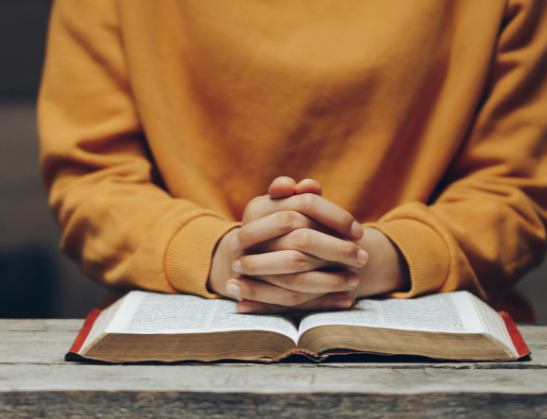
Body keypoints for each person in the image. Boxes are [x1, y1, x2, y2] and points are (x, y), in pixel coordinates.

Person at [38, 0, 547, 321]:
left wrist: (377, 258)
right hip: (182, 331)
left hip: (443, 342)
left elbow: (517, 188)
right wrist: (219, 254)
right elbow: (93, 178)